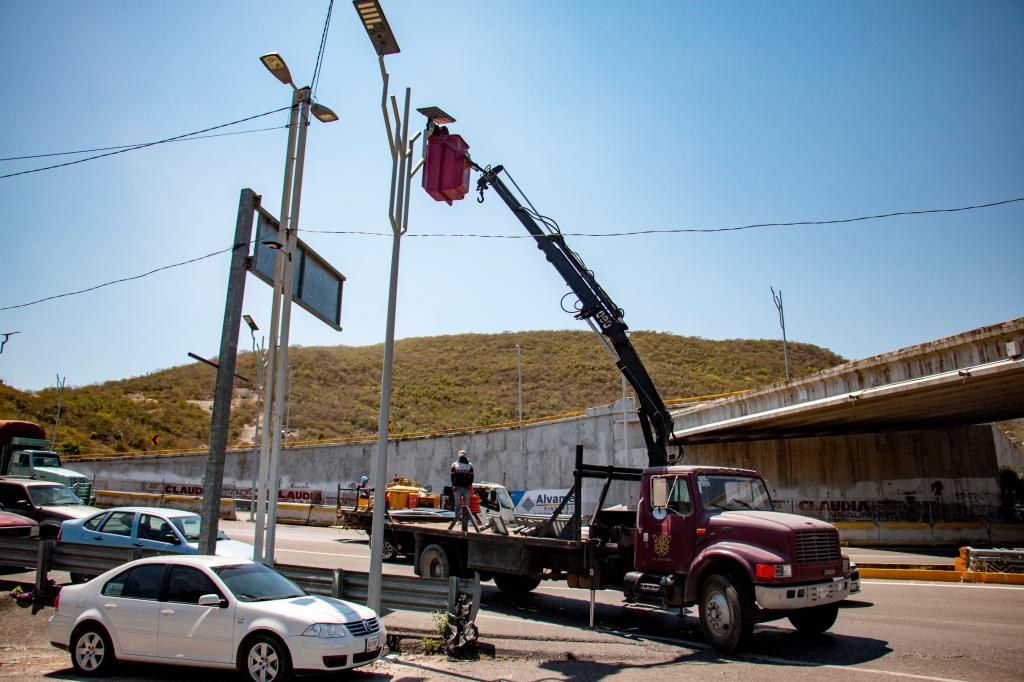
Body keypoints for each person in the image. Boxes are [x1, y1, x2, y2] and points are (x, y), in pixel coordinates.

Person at [450, 450, 475, 532]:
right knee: (457, 505)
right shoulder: (454, 464)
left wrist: (470, 484)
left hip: (466, 488)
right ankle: (456, 520)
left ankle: (466, 521)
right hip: (457, 487)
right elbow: (452, 476)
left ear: (465, 455)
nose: (462, 456)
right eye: (461, 455)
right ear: (459, 456)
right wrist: (453, 485)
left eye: (463, 455)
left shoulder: (470, 465)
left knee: (467, 505)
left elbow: (471, 476)